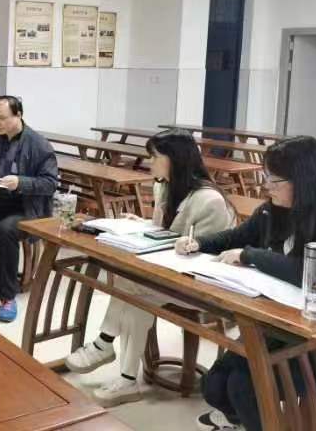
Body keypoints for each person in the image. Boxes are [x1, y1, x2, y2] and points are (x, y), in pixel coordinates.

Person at [66, 129, 235, 407]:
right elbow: (164, 232)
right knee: (134, 289)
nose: (150, 162)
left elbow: (203, 254)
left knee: (131, 285)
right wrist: (142, 225)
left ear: (175, 159)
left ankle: (105, 345)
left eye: (155, 157)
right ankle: (125, 378)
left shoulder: (209, 200)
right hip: (165, 273)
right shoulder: (165, 186)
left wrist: (161, 238)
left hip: (198, 283)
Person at [175, 135, 316, 431]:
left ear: (303, 181)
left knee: (243, 386)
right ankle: (242, 420)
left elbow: (308, 272)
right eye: (266, 178)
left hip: (311, 336)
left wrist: (250, 255)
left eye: (275, 180)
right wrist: (198, 243)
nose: (267, 187)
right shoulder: (271, 211)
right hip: (272, 324)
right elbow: (236, 237)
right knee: (214, 384)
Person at [0, 96, 58, 323]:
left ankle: (8, 296)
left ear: (19, 115)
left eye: (3, 118)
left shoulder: (38, 144)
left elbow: (50, 183)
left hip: (27, 208)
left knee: (4, 230)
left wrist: (21, 182)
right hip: (0, 200)